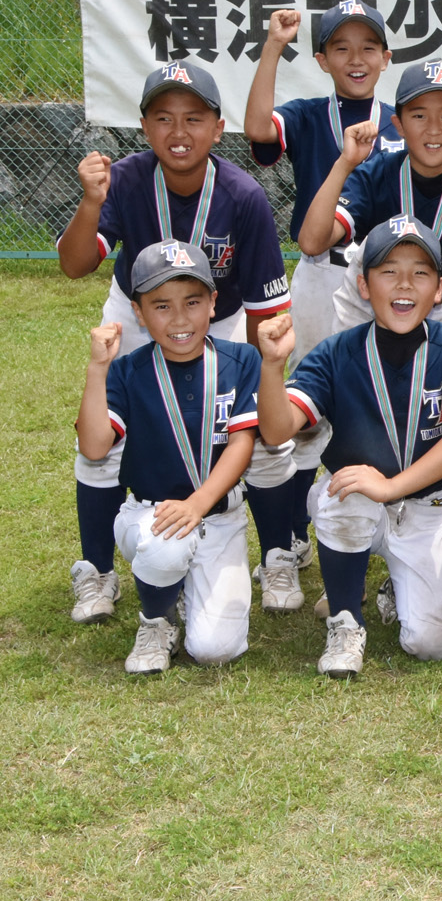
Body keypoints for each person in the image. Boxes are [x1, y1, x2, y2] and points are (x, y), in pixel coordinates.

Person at [57, 61, 298, 624]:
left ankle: (278, 556)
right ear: (144, 127)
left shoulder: (242, 195)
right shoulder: (127, 179)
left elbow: (266, 308)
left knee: (266, 441)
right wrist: (91, 202)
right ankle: (97, 570)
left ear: (218, 128)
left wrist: (263, 370)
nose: (179, 131)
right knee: (101, 440)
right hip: (137, 313)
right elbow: (74, 265)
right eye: (163, 118)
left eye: (194, 117)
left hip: (221, 319)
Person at [255, 216, 442, 677]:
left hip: (424, 505)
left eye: (420, 273)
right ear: (363, 286)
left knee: (437, 644)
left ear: (439, 289)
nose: (404, 284)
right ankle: (345, 621)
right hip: (358, 496)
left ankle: (399, 589)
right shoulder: (336, 351)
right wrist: (271, 367)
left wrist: (392, 487)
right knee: (344, 495)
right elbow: (277, 431)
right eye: (388, 271)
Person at [243, 0, 406, 594]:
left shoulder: (405, 119)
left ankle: (387, 539)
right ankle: (290, 540)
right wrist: (272, 47)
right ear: (321, 59)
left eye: (368, 47)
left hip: (385, 280)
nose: (355, 58)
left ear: (386, 57)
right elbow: (259, 131)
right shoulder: (312, 113)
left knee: (378, 404)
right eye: (341, 48)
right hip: (321, 269)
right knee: (304, 408)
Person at [76, 241, 264, 674]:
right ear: (139, 313)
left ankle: (182, 587)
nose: (179, 319)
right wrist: (97, 370)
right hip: (151, 514)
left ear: (213, 303)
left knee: (216, 649)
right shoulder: (128, 370)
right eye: (161, 306)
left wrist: (198, 504)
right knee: (165, 545)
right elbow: (94, 448)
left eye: (192, 302)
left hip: (218, 517)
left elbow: (242, 443)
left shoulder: (240, 359)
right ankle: (156, 620)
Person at [298, 57, 442, 367]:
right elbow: (312, 242)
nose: (433, 129)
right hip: (370, 297)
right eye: (419, 115)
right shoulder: (374, 176)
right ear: (398, 124)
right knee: (352, 382)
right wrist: (345, 163)